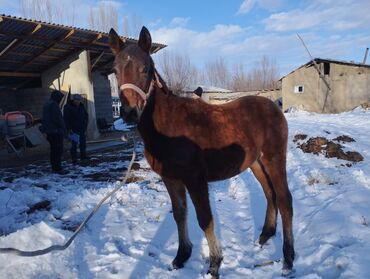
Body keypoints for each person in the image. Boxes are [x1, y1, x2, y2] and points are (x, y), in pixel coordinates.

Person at [41, 90, 68, 174]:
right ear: (57, 97)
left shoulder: (47, 104)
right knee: (57, 150)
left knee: (54, 150)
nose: (60, 100)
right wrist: (64, 129)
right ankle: (57, 168)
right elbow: (58, 119)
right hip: (55, 131)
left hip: (50, 131)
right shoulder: (53, 105)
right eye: (60, 98)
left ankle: (55, 167)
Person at [63, 94, 89, 164]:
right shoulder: (68, 107)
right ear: (73, 100)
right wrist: (69, 128)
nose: (78, 101)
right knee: (74, 145)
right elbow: (66, 119)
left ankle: (83, 156)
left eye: (79, 100)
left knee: (83, 143)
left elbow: (86, 115)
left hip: (82, 128)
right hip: (73, 130)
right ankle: (74, 159)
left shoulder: (81, 106)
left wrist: (85, 125)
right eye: (76, 100)